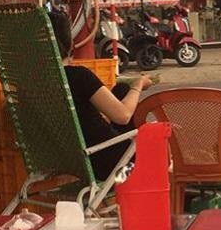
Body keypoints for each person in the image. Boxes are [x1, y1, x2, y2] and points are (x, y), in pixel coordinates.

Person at [48, 10, 153, 180]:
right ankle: (156, 172)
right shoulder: (78, 76)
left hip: (69, 162)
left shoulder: (35, 83)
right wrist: (138, 85)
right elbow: (123, 116)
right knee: (151, 133)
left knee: (121, 90)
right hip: (110, 165)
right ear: (69, 43)